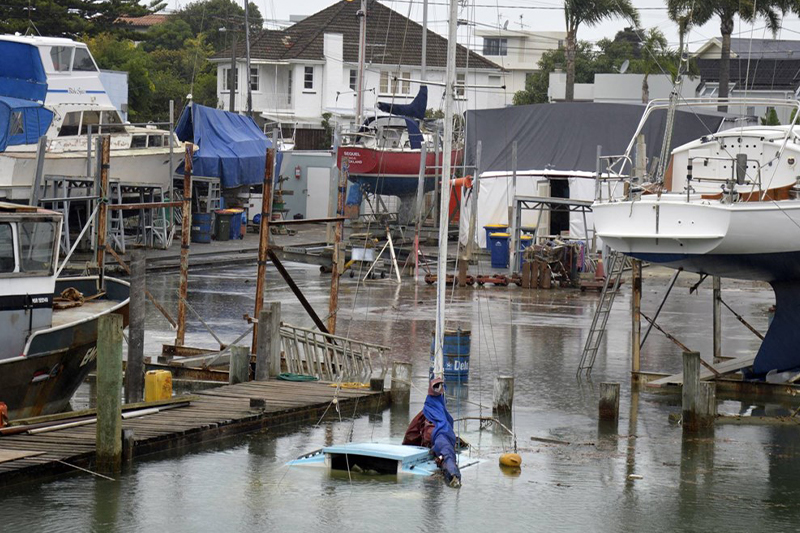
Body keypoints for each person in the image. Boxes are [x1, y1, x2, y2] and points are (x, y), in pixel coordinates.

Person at [402, 377, 462, 486]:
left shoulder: (427, 407)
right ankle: (454, 475)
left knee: (445, 453)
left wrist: (405, 446)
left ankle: (452, 474)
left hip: (434, 440)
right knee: (447, 453)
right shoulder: (440, 411)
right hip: (439, 438)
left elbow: (412, 432)